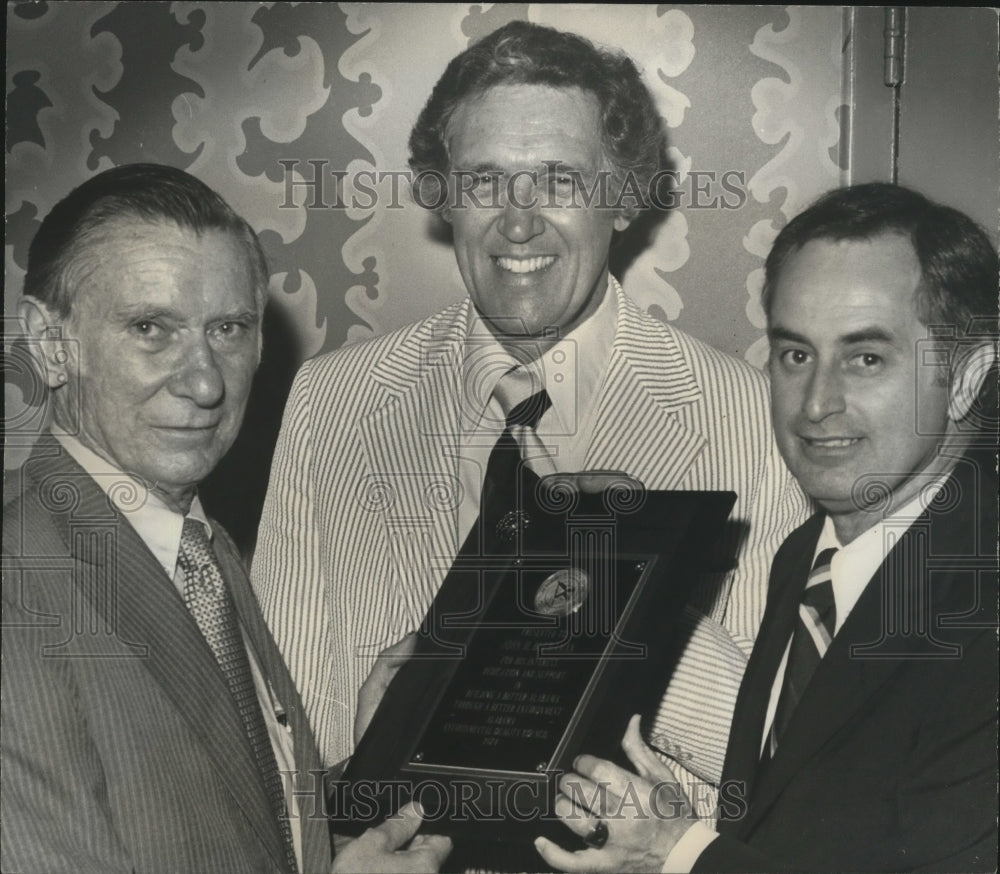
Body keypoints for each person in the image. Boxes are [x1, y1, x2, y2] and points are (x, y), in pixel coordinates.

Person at [252, 18, 809, 813]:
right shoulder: (332, 402)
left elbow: (784, 758)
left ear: (620, 199)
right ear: (445, 200)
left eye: (559, 180)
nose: (518, 221)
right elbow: (280, 735)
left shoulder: (754, 419)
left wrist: (632, 597)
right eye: (484, 181)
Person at [1, 164, 451, 874]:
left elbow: (228, 825)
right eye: (152, 328)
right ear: (51, 344)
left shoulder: (201, 553)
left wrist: (373, 761)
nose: (206, 381)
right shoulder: (18, 585)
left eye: (228, 329)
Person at [537, 183, 999, 872]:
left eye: (865, 358)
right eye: (795, 355)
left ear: (967, 378)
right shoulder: (807, 557)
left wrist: (681, 853)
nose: (817, 403)